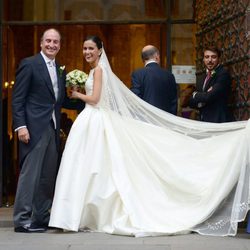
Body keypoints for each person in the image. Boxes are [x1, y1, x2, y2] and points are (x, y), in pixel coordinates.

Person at [49, 35, 250, 237]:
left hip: (111, 119)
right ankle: (84, 212)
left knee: (97, 166)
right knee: (94, 166)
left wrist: (77, 94)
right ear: (158, 57)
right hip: (137, 123)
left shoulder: (109, 71)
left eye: (91, 48)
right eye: (84, 48)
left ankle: (82, 213)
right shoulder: (166, 76)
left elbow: (98, 98)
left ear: (100, 50)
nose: (87, 52)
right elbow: (174, 103)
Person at [12, 28, 83, 233]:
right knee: (30, 174)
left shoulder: (60, 69)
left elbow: (59, 101)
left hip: (52, 128)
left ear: (59, 45)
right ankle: (22, 219)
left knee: (47, 175)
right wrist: (21, 126)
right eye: (49, 41)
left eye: (56, 42)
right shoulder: (29, 64)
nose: (52, 45)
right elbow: (18, 99)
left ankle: (41, 217)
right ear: (41, 43)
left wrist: (85, 101)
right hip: (33, 128)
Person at [189, 46, 234, 122]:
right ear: (203, 59)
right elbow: (190, 102)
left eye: (213, 57)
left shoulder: (223, 74)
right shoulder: (201, 76)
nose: (210, 60)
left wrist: (196, 94)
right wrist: (201, 100)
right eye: (207, 57)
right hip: (203, 121)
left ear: (219, 59)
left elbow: (209, 96)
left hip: (218, 122)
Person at [131, 45, 177, 115]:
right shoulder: (169, 75)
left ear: (143, 59)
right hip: (165, 120)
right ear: (157, 56)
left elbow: (135, 98)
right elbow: (173, 102)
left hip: (146, 119)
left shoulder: (137, 74)